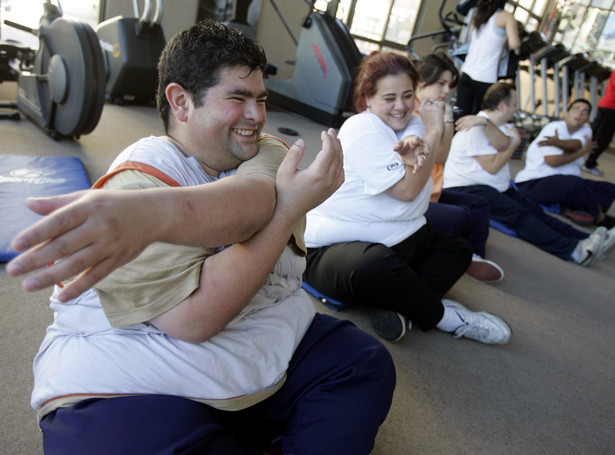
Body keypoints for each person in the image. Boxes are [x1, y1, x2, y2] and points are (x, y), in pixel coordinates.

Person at [8, 20, 396, 455]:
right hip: (130, 372)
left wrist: (158, 216)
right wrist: (284, 208)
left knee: (364, 362)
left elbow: (251, 197)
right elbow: (194, 321)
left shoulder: (263, 150)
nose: (257, 115)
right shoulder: (133, 186)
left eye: (261, 99)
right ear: (181, 102)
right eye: (238, 98)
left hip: (247, 339)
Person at [303, 51, 512, 345]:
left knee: (458, 249)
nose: (400, 106)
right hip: (332, 249)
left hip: (401, 233)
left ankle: (397, 305)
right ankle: (447, 318)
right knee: (377, 266)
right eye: (389, 98)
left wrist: (435, 123)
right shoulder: (362, 129)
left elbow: (439, 154)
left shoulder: (412, 121)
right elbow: (407, 191)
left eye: (406, 95)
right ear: (368, 98)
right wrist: (436, 127)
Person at [443, 82, 610, 266]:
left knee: (535, 211)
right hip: (467, 187)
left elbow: (503, 143)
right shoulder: (473, 128)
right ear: (502, 106)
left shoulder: (497, 125)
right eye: (514, 104)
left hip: (495, 185)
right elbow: (492, 167)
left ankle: (587, 238)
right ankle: (574, 250)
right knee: (520, 215)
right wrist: (514, 143)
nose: (516, 109)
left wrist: (499, 133)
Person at [417, 52, 504, 283]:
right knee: (461, 218)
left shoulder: (434, 108)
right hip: (415, 192)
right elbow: (439, 155)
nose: (446, 90)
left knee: (479, 204)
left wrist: (445, 117)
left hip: (431, 188)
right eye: (441, 83)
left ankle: (475, 256)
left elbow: (442, 156)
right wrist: (441, 119)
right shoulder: (415, 113)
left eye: (449, 85)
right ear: (421, 82)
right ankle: (459, 253)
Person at [515, 99, 615, 232]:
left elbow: (575, 144)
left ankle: (581, 209)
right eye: (576, 109)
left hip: (565, 183)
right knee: (574, 184)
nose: (579, 114)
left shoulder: (586, 130)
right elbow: (553, 161)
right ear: (566, 113)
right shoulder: (553, 127)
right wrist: (581, 152)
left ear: (587, 118)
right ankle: (599, 217)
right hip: (534, 183)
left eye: (585, 112)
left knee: (608, 188)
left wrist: (558, 143)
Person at [456, 0, 521, 118]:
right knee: (479, 117)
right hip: (485, 77)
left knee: (459, 114)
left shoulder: (480, 15)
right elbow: (514, 44)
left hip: (466, 72)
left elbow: (471, 36)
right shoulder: (506, 17)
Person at [583, 70, 615, 176]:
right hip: (610, 107)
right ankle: (589, 164)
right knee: (603, 138)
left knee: (596, 134)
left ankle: (587, 161)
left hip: (607, 106)